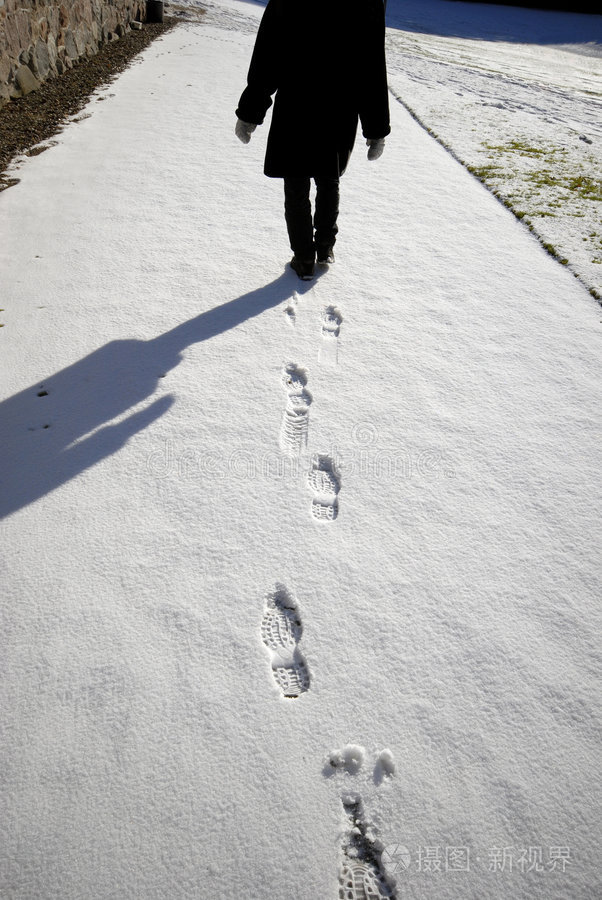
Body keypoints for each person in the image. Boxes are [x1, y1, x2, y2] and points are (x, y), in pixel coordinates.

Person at [235, 0, 390, 280]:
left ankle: (305, 257)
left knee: (297, 181)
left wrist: (250, 112)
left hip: (298, 101)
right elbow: (371, 65)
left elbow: (269, 52)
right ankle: (324, 248)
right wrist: (375, 127)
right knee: (327, 177)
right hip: (339, 106)